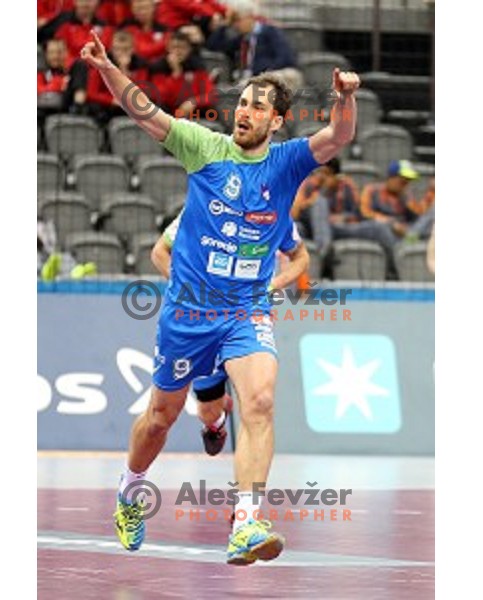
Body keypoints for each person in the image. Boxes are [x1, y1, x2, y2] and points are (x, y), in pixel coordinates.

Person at [80, 29, 360, 565]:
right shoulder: (203, 146)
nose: (245, 112)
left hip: (244, 311)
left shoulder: (287, 163)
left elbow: (337, 138)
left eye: (258, 107)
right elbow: (144, 112)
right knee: (160, 418)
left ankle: (247, 523)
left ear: (276, 121)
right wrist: (106, 70)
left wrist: (344, 99)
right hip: (187, 312)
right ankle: (129, 487)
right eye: (243, 103)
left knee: (258, 402)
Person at [151, 211, 310, 455]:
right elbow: (159, 252)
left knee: (260, 401)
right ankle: (216, 423)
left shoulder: (275, 210)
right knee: (207, 411)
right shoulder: (201, 204)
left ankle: (250, 493)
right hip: (202, 322)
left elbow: (301, 257)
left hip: (245, 322)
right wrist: (186, 289)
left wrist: (275, 285)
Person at [206, 0, 302, 90]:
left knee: (288, 75)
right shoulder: (241, 39)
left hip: (268, 76)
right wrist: (225, 24)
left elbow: (285, 58)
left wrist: (262, 72)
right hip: (247, 81)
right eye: (233, 22)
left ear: (250, 17)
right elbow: (214, 46)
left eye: (238, 20)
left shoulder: (270, 32)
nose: (235, 25)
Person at [148, 30, 217, 118]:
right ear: (168, 48)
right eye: (174, 47)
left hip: (192, 111)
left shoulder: (197, 66)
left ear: (189, 49)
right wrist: (176, 73)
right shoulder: (158, 67)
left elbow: (211, 95)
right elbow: (161, 97)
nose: (178, 51)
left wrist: (194, 102)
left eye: (182, 48)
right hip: (167, 113)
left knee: (211, 112)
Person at [86, 30, 149, 123]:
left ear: (133, 49)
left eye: (125, 49)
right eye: (117, 49)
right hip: (108, 106)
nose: (121, 53)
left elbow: (140, 93)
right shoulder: (101, 63)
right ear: (111, 49)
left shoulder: (140, 65)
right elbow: (91, 93)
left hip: (131, 106)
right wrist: (111, 100)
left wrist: (124, 70)